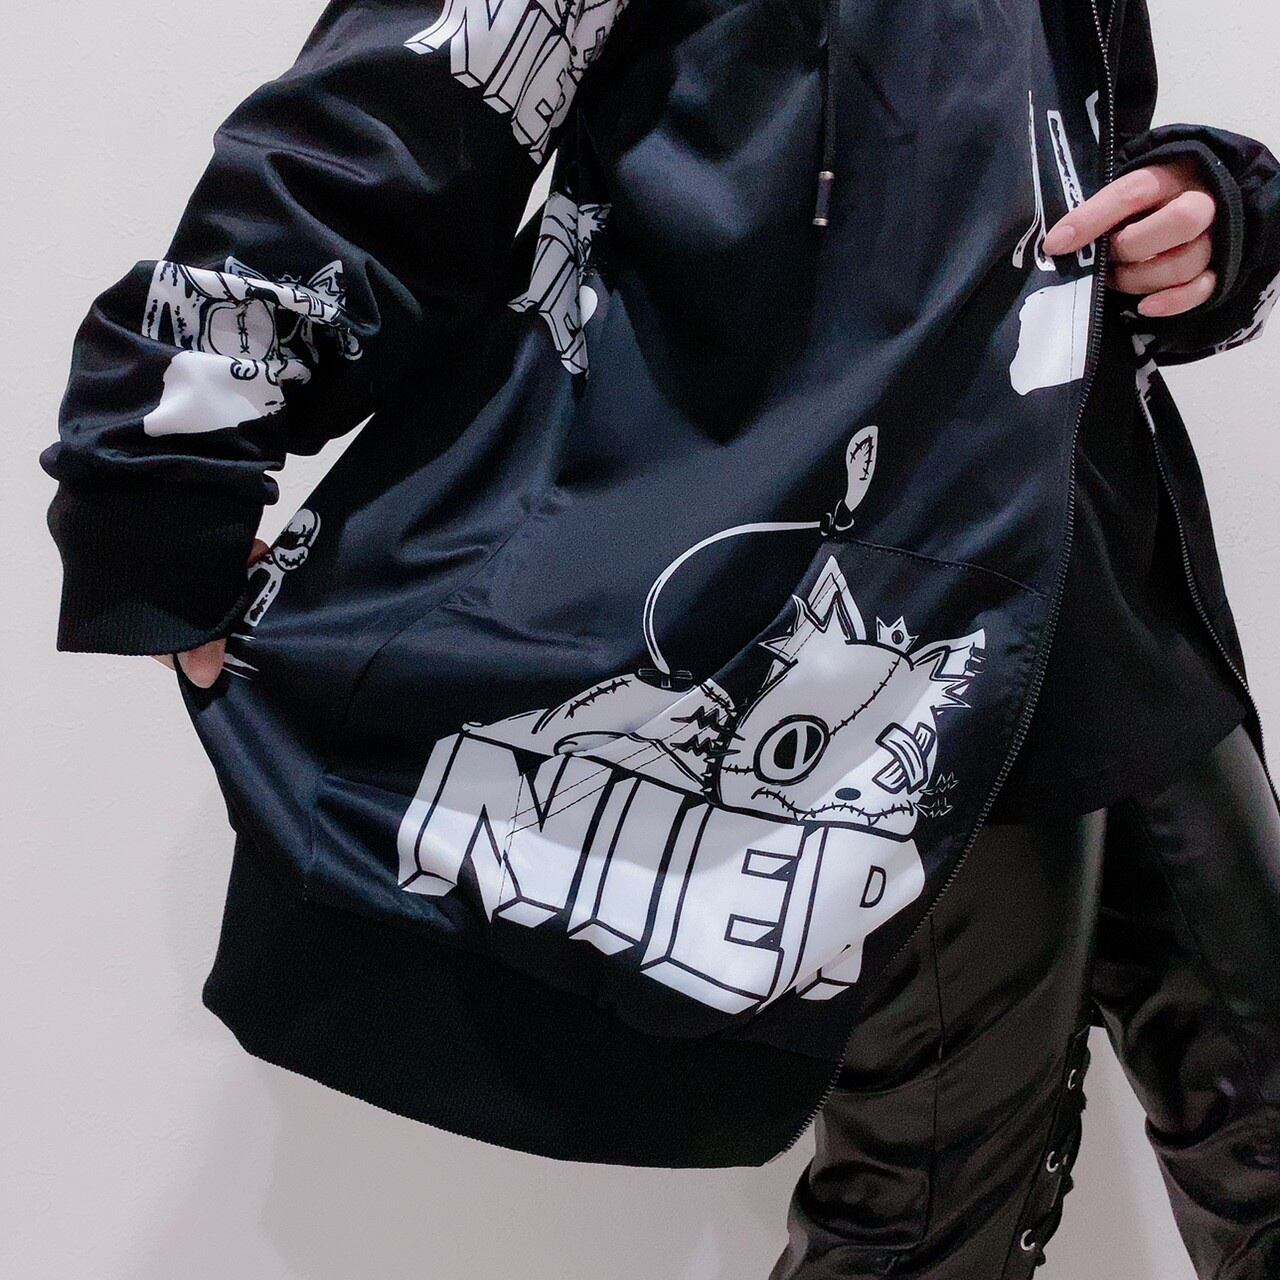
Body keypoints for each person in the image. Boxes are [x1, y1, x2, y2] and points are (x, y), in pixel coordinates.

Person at [39, 0, 1280, 1274]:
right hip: (833, 596)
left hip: (1092, 549)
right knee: (930, 1210)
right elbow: (400, 114)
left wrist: (1198, 213)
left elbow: (1008, 136)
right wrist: (158, 483)